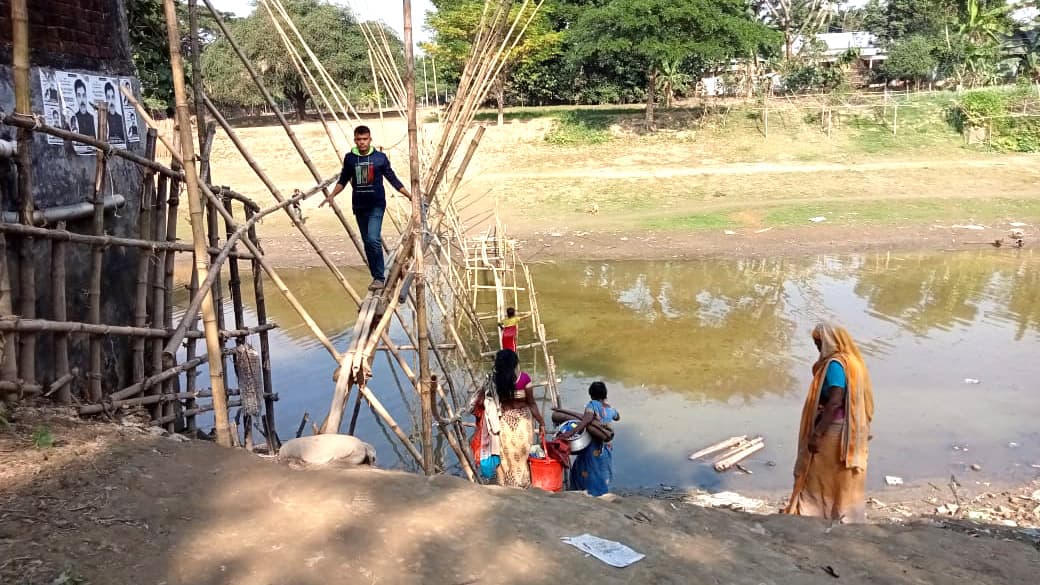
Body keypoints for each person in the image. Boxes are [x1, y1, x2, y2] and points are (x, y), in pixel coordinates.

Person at [784, 322, 874, 523]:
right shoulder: (855, 363)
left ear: (829, 342)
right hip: (851, 428)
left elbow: (835, 400)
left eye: (819, 342)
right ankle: (845, 513)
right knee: (842, 474)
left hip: (834, 428)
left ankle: (814, 512)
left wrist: (818, 433)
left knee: (818, 472)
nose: (817, 347)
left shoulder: (835, 365)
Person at [320, 125, 411, 291]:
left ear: (370, 139)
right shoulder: (350, 159)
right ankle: (376, 276)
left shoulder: (380, 158)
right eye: (359, 139)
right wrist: (332, 195)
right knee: (367, 243)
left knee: (373, 238)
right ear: (355, 140)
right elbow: (343, 180)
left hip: (377, 205)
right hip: (359, 206)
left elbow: (392, 179)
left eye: (365, 139)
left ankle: (379, 277)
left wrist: (409, 196)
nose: (362, 142)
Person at [477, 349, 543, 487]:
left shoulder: (494, 381)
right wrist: (541, 422)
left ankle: (507, 485)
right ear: (514, 363)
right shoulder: (524, 379)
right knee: (522, 457)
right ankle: (522, 484)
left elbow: (482, 401)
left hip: (504, 423)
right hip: (522, 423)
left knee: (506, 458)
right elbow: (531, 403)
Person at [561, 381, 620, 496]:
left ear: (591, 395)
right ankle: (601, 493)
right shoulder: (610, 409)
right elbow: (617, 417)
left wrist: (572, 432)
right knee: (601, 471)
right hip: (605, 447)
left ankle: (586, 493)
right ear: (605, 395)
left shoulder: (592, 405)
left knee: (585, 469)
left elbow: (586, 420)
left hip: (592, 447)